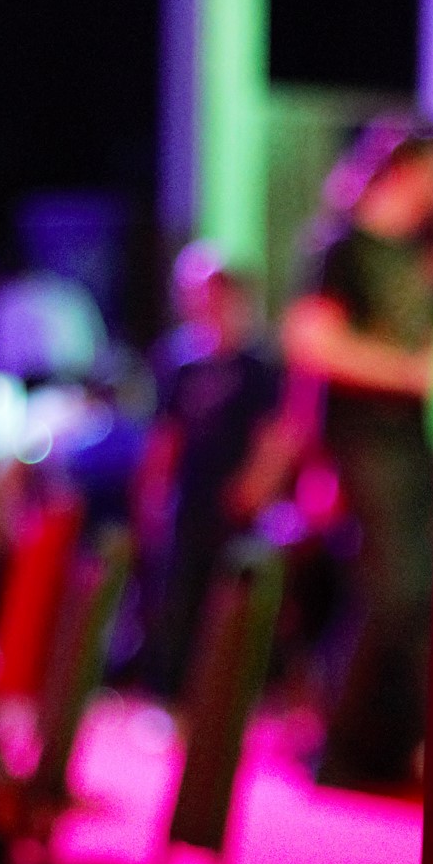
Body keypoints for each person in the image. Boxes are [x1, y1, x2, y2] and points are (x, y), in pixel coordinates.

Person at [281, 125, 433, 790]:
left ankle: (379, 747)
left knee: (413, 592)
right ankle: (349, 751)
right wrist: (413, 373)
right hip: (363, 442)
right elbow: (312, 343)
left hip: (414, 442)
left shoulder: (430, 247)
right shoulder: (341, 248)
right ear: (409, 167)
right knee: (394, 591)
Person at [140, 243, 290, 699]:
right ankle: (178, 695)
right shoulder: (177, 363)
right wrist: (154, 493)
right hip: (190, 499)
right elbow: (165, 436)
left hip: (237, 505)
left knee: (236, 598)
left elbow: (276, 434)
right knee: (181, 598)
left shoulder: (257, 364)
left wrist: (257, 487)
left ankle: (242, 692)